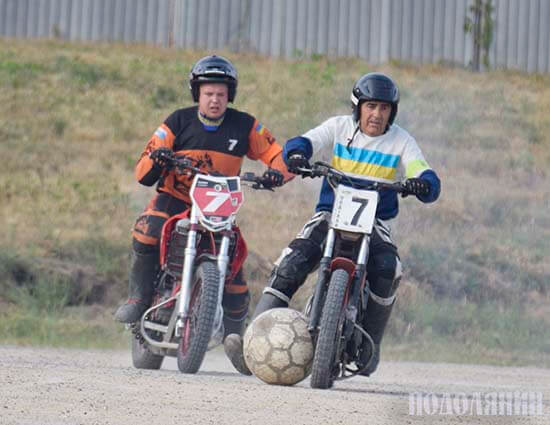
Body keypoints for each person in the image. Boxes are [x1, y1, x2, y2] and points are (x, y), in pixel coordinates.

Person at [224, 72, 441, 376]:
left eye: (384, 108)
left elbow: (422, 170)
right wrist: (298, 152)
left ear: (392, 112)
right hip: (330, 212)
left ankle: (371, 346)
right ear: (358, 107)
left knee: (389, 268)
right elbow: (307, 141)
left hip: (375, 221)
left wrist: (424, 183)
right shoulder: (338, 127)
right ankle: (251, 345)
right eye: (370, 107)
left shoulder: (401, 140)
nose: (377, 114)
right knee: (292, 261)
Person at [114, 55, 294, 345]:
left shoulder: (245, 125)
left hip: (218, 207)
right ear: (197, 93)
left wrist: (277, 173)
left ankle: (239, 341)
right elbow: (143, 169)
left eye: (221, 94)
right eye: (208, 93)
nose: (214, 100)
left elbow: (277, 154)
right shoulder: (177, 121)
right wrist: (158, 158)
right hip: (175, 199)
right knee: (148, 231)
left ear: (230, 96)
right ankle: (138, 297)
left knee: (236, 268)